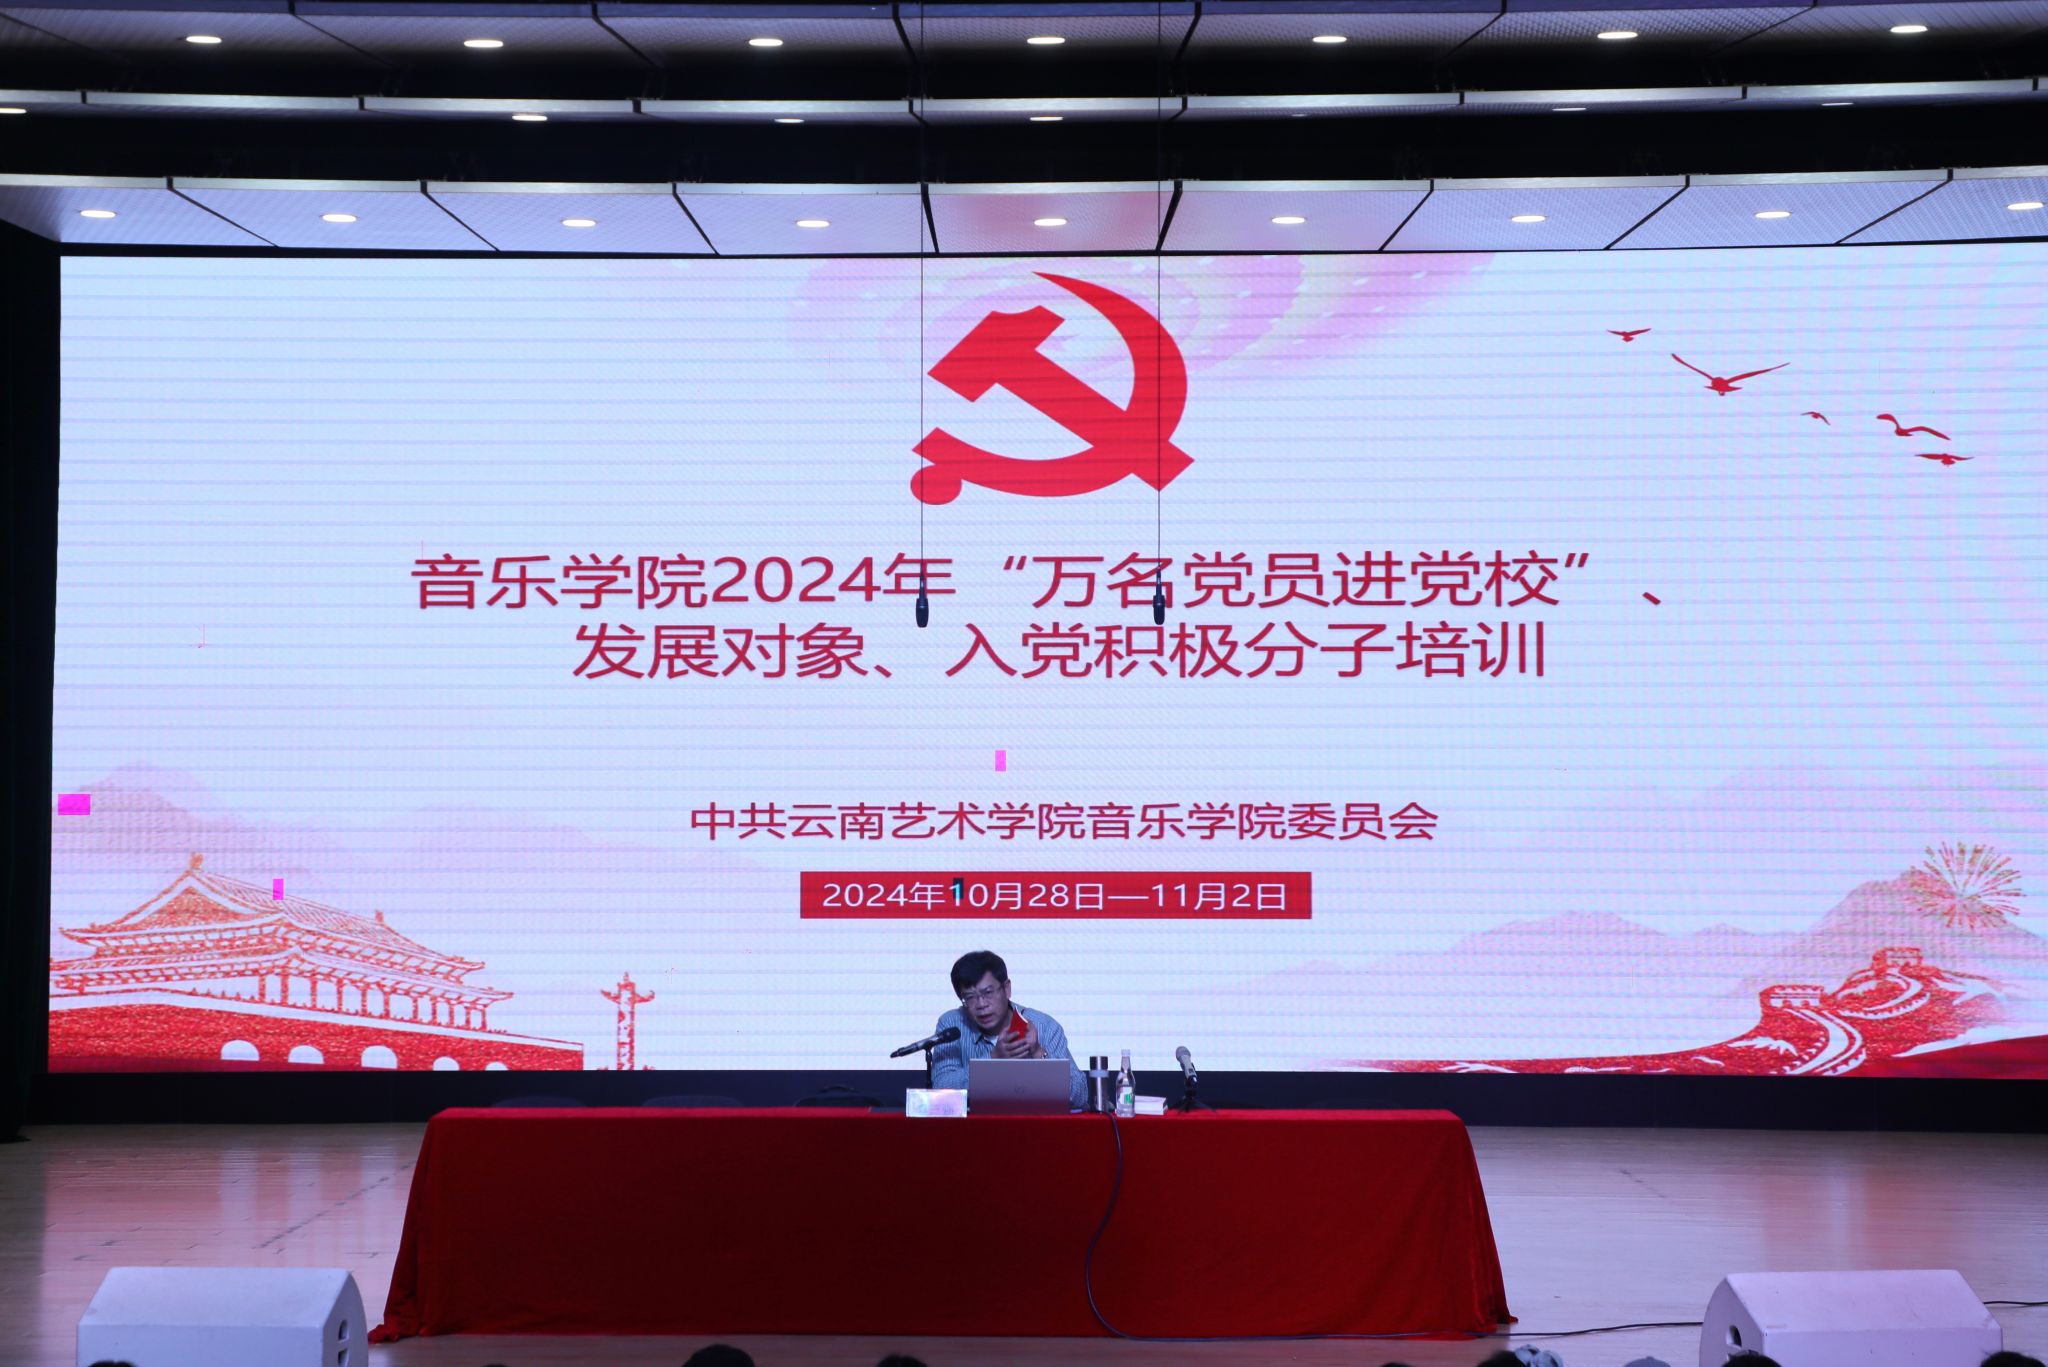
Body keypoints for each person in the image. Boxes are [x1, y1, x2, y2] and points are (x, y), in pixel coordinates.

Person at [928, 950, 1086, 1109]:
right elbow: (940, 1094)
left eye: (988, 992)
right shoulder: (951, 1025)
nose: (981, 1004)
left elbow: (1080, 1096)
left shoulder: (1044, 1026)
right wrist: (993, 1060)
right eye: (969, 997)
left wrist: (1038, 1053)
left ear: (1007, 988)